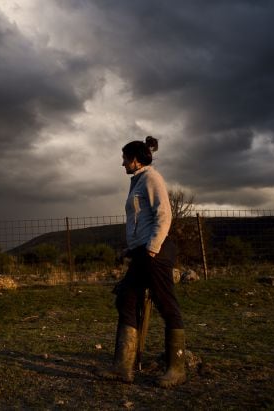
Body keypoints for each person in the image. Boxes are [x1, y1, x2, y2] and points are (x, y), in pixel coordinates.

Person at [97, 136, 186, 387]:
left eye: (125, 158)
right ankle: (122, 367)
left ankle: (177, 369)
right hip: (142, 252)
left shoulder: (151, 178)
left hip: (154, 254)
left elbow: (164, 213)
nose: (122, 163)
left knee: (166, 303)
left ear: (135, 160)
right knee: (126, 298)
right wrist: (132, 248)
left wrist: (151, 248)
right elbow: (140, 220)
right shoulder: (138, 181)